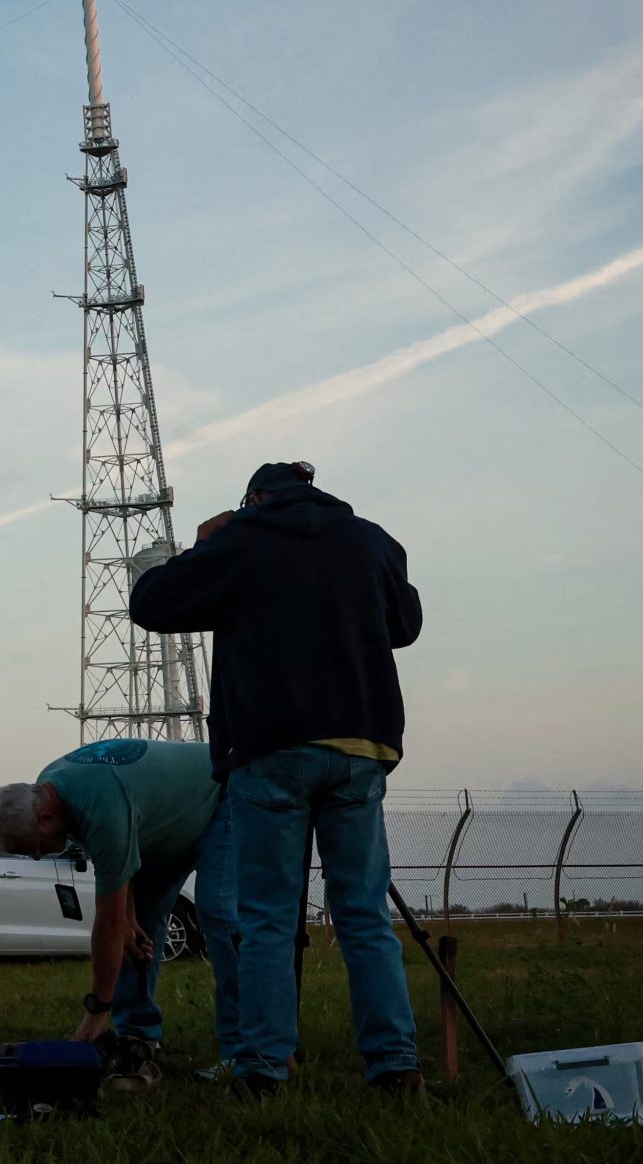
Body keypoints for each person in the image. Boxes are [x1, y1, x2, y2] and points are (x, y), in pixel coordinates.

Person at [130, 460, 424, 1098]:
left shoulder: (242, 539)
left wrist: (209, 547)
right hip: (361, 742)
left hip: (271, 746)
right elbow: (406, 626)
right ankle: (395, 1068)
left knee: (265, 916)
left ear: (255, 497)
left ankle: (262, 1071)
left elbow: (149, 604)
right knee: (364, 915)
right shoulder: (371, 540)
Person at [0, 739, 240, 1089]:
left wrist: (97, 1010)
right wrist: (130, 921)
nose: (39, 859)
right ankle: (138, 1035)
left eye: (34, 849)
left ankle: (250, 1048)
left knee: (217, 912)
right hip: (164, 825)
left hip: (223, 796)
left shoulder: (100, 808)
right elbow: (121, 880)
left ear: (44, 816)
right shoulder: (48, 788)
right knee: (138, 928)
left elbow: (108, 925)